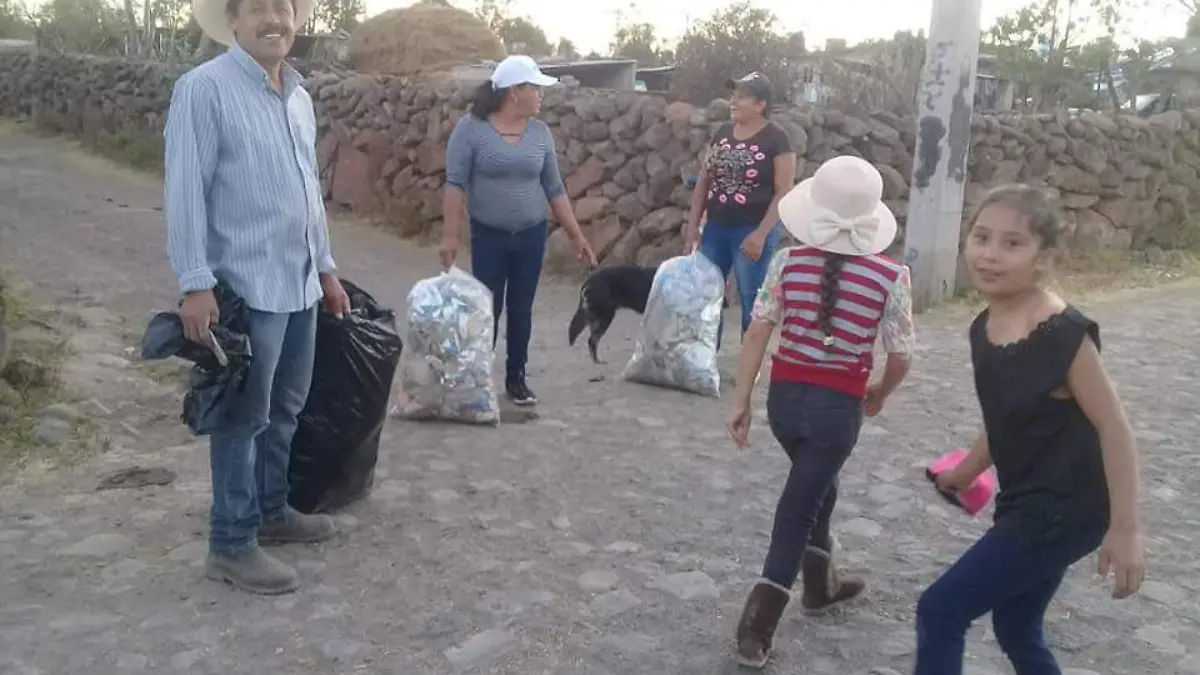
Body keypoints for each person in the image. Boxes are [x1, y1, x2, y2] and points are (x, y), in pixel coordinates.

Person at [913, 185, 1145, 675]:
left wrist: (1125, 529)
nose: (991, 255)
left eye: (1013, 244)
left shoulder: (1061, 334)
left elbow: (1114, 426)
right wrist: (967, 471)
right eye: (982, 237)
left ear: (1043, 258)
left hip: (1066, 510)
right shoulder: (984, 324)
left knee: (941, 609)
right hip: (1028, 500)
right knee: (1016, 625)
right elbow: (1006, 416)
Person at [164, 0, 352, 595]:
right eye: (259, 8)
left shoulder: (298, 96)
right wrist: (195, 283)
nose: (274, 18)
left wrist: (326, 269)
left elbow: (307, 192)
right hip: (243, 287)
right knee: (242, 417)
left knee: (287, 406)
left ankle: (271, 511)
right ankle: (231, 542)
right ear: (235, 21)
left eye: (285, 7)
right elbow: (185, 189)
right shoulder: (204, 90)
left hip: (297, 281)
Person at [725, 155, 915, 668]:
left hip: (785, 403)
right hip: (838, 410)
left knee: (815, 486)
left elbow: (758, 330)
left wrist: (741, 399)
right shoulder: (892, 276)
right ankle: (757, 624)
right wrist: (879, 391)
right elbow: (901, 355)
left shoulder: (786, 262)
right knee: (799, 506)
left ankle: (820, 585)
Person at [439, 55, 597, 406]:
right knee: (487, 309)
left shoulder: (539, 134)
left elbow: (554, 188)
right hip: (489, 235)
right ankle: (478, 377)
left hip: (530, 234)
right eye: (535, 89)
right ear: (514, 92)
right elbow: (455, 183)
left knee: (522, 309)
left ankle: (516, 378)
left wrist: (576, 235)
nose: (541, 96)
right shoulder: (472, 129)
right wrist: (450, 235)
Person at [684, 71, 796, 350]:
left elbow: (784, 191)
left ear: (760, 105)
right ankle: (705, 357)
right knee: (708, 295)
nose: (733, 101)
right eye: (732, 95)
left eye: (742, 97)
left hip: (752, 231)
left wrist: (760, 234)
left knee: (751, 299)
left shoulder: (777, 139)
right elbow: (704, 181)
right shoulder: (722, 133)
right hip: (715, 230)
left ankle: (750, 363)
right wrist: (692, 228)